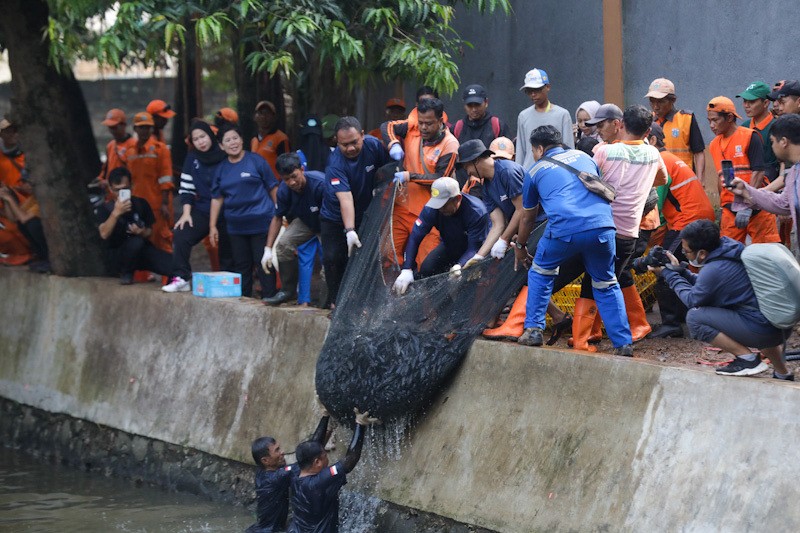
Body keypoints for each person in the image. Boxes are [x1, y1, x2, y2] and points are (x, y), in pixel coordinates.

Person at [513, 125, 633, 355]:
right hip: (603, 228)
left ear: (539, 148)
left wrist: (520, 246)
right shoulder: (585, 157)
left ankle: (533, 331)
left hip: (564, 230)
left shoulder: (535, 171)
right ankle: (623, 343)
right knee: (606, 283)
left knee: (540, 272)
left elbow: (528, 217)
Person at [651, 220, 792, 379]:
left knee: (695, 317)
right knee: (763, 335)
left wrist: (668, 274)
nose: (685, 254)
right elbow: (706, 285)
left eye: (686, 252)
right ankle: (784, 374)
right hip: (777, 325)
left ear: (702, 253)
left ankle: (747, 359)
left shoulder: (715, 269)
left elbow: (692, 300)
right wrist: (681, 272)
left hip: (763, 329)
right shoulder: (729, 250)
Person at [580, 104, 668, 346]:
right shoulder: (649, 152)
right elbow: (662, 178)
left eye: (602, 125)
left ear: (619, 124)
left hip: (637, 223)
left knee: (616, 275)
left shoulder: (606, 152)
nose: (598, 130)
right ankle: (595, 329)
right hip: (629, 225)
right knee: (605, 275)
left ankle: (637, 324)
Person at [645, 123, 715, 338]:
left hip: (687, 219)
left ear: (653, 141)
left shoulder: (660, 161)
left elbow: (655, 203)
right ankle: (684, 312)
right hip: (699, 216)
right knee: (683, 265)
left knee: (663, 263)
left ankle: (671, 323)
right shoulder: (672, 159)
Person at [319, 117, 390, 308]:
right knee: (334, 259)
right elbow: (345, 199)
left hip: (366, 214)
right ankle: (335, 302)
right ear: (336, 141)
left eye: (354, 142)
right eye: (344, 145)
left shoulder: (374, 146)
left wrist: (382, 187)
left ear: (363, 135)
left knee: (368, 260)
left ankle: (366, 305)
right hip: (335, 218)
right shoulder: (335, 164)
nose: (350, 148)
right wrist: (349, 230)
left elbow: (389, 167)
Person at [386, 97, 459, 267]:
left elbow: (441, 179)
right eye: (421, 122)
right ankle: (392, 293)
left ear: (440, 121)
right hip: (403, 208)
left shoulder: (450, 144)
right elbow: (388, 126)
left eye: (429, 123)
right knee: (390, 257)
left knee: (425, 263)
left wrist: (409, 176)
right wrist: (393, 144)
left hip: (430, 213)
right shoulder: (413, 128)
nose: (424, 127)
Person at [209, 125, 279, 299]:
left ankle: (269, 299)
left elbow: (273, 187)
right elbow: (217, 198)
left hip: (261, 223)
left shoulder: (256, 161)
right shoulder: (221, 169)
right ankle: (244, 301)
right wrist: (212, 226)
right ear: (221, 146)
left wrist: (281, 212)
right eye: (228, 140)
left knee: (263, 263)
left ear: (241, 140)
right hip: (236, 227)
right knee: (242, 266)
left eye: (235, 138)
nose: (233, 143)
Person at [161, 120, 229, 293]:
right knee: (181, 233)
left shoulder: (226, 154)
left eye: (203, 136)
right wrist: (186, 213)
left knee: (229, 249)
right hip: (204, 210)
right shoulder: (192, 158)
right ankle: (182, 278)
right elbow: (186, 188)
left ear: (211, 135)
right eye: (196, 139)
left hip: (228, 211)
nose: (201, 141)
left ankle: (238, 286)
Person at [392, 177, 488, 294]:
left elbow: (474, 247)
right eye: (437, 204)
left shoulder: (476, 211)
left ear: (457, 198)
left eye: (444, 204)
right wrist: (407, 269)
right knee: (427, 269)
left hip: (475, 251)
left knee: (467, 288)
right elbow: (415, 237)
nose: (440, 209)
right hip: (449, 245)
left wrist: (460, 265)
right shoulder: (432, 209)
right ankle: (441, 307)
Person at [288, 409, 378, 533]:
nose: (327, 457)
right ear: (317, 462)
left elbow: (315, 444)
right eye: (325, 455)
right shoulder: (317, 483)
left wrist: (325, 417)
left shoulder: (295, 471)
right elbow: (349, 461)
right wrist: (360, 425)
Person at [707, 96, 780, 244]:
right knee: (728, 257)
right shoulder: (714, 145)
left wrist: (748, 205)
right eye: (709, 121)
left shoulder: (749, 136)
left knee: (766, 255)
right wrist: (723, 208)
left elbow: (758, 172)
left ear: (729, 117)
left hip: (757, 209)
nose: (711, 125)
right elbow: (720, 178)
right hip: (730, 209)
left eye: (715, 120)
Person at [729, 113, 800, 260]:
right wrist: (746, 191)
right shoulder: (794, 172)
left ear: (784, 142)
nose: (772, 147)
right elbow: (783, 203)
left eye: (773, 142)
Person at [246, 413, 331, 533]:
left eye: (279, 448)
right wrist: (325, 416)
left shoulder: (262, 472)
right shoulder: (276, 478)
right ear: (265, 460)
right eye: (277, 450)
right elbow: (308, 456)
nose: (282, 452)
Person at [262, 153, 326, 306]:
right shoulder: (284, 190)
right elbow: (277, 217)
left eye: (294, 176)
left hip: (328, 222)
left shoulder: (320, 183)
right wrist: (268, 249)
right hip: (307, 221)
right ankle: (288, 291)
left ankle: (328, 301)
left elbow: (337, 212)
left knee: (330, 260)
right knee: (283, 245)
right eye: (286, 179)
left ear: (302, 169)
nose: (291, 182)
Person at [94, 167, 171, 284]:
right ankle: (126, 273)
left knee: (174, 264)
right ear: (110, 189)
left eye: (125, 189)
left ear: (132, 186)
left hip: (141, 252)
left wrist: (142, 232)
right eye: (117, 190)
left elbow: (150, 231)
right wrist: (116, 213)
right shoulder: (104, 209)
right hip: (118, 255)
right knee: (136, 242)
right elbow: (104, 234)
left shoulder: (141, 204)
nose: (121, 194)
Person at [0, 118, 48, 271]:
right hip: (13, 200)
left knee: (27, 224)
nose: (13, 134)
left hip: (25, 200)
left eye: (15, 130)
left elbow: (22, 218)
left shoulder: (28, 154)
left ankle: (41, 256)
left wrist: (13, 193)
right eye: (8, 131)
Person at [127, 111, 175, 254]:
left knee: (162, 240)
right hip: (136, 205)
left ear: (152, 129)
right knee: (138, 241)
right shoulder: (130, 152)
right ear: (135, 129)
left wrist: (165, 204)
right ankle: (141, 277)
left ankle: (169, 276)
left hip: (156, 205)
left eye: (148, 127)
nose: (145, 130)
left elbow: (166, 177)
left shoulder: (161, 150)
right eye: (141, 127)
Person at [515, 68, 574, 171]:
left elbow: (569, 149)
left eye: (537, 89)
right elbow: (521, 151)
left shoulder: (562, 115)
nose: (533, 94)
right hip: (531, 172)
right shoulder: (523, 116)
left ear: (547, 87)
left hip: (556, 172)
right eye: (529, 91)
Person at [646, 78, 706, 177]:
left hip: (683, 179)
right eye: (652, 101)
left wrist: (700, 180)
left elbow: (699, 153)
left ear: (673, 100)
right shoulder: (648, 121)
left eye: (660, 102)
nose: (655, 106)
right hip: (659, 180)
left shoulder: (686, 119)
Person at [95, 109, 137, 189]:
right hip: (111, 192)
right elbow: (106, 169)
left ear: (123, 125)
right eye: (110, 127)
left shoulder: (134, 145)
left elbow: (135, 172)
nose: (112, 131)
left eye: (114, 127)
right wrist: (100, 179)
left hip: (126, 191)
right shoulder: (110, 146)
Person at [252, 100, 290, 177]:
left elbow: (287, 165)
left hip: (275, 186)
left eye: (267, 113)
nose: (263, 116)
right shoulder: (254, 140)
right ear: (255, 117)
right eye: (260, 113)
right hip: (258, 185)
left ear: (274, 117)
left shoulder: (281, 138)